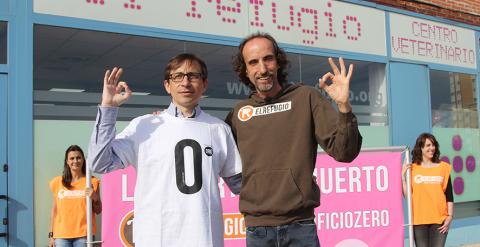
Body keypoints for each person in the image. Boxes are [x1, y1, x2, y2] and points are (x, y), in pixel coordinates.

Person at [87, 53, 242, 246]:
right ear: (167, 85)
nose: (185, 82)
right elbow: (99, 163)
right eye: (178, 76)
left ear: (204, 84)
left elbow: (242, 186)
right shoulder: (143, 126)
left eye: (193, 76)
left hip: (205, 238)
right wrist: (108, 108)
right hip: (155, 239)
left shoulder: (220, 130)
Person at [225, 32, 362, 246]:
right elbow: (216, 153)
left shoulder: (306, 97)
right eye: (253, 62)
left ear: (278, 62)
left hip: (301, 227)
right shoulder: (239, 113)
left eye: (268, 59)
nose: (262, 69)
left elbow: (345, 153)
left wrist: (344, 106)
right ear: (245, 70)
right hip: (258, 231)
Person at [402, 133, 454, 247]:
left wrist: (450, 216)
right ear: (421, 148)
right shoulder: (413, 169)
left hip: (439, 220)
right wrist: (402, 177)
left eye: (433, 145)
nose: (432, 148)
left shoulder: (443, 167)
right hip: (419, 220)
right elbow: (408, 197)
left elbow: (449, 195)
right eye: (428, 145)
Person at [49, 145, 102, 247]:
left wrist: (95, 198)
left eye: (78, 157)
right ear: (67, 162)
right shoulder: (57, 182)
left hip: (84, 235)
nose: (75, 161)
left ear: (83, 160)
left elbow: (98, 210)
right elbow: (54, 211)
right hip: (61, 236)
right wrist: (51, 235)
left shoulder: (92, 181)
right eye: (72, 158)